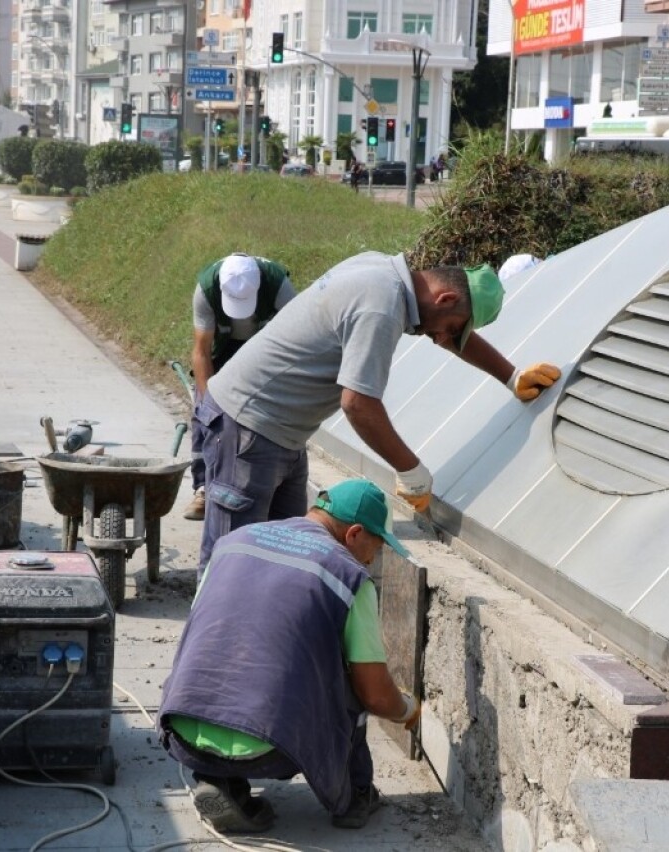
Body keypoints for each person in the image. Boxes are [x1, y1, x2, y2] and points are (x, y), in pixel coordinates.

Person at [194, 251, 561, 569]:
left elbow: (452, 336)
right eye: (450, 329)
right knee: (231, 563)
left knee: (287, 556)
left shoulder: (381, 272)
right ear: (445, 298)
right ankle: (212, 648)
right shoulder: (380, 307)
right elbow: (357, 404)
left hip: (281, 435)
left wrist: (510, 376)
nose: (441, 339)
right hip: (245, 429)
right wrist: (410, 469)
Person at [158, 478, 423, 833]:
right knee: (352, 683)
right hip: (278, 746)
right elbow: (374, 694)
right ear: (354, 533)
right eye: (375, 547)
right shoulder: (348, 575)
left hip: (183, 726)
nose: (373, 558)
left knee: (220, 650)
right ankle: (355, 796)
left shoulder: (231, 543)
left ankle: (219, 780)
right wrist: (407, 708)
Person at [182, 253, 296, 520]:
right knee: (205, 415)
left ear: (257, 288)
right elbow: (201, 351)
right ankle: (203, 488)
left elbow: (297, 337)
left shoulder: (278, 286)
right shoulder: (207, 289)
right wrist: (207, 401)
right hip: (223, 348)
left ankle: (266, 489)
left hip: (267, 348)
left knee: (264, 417)